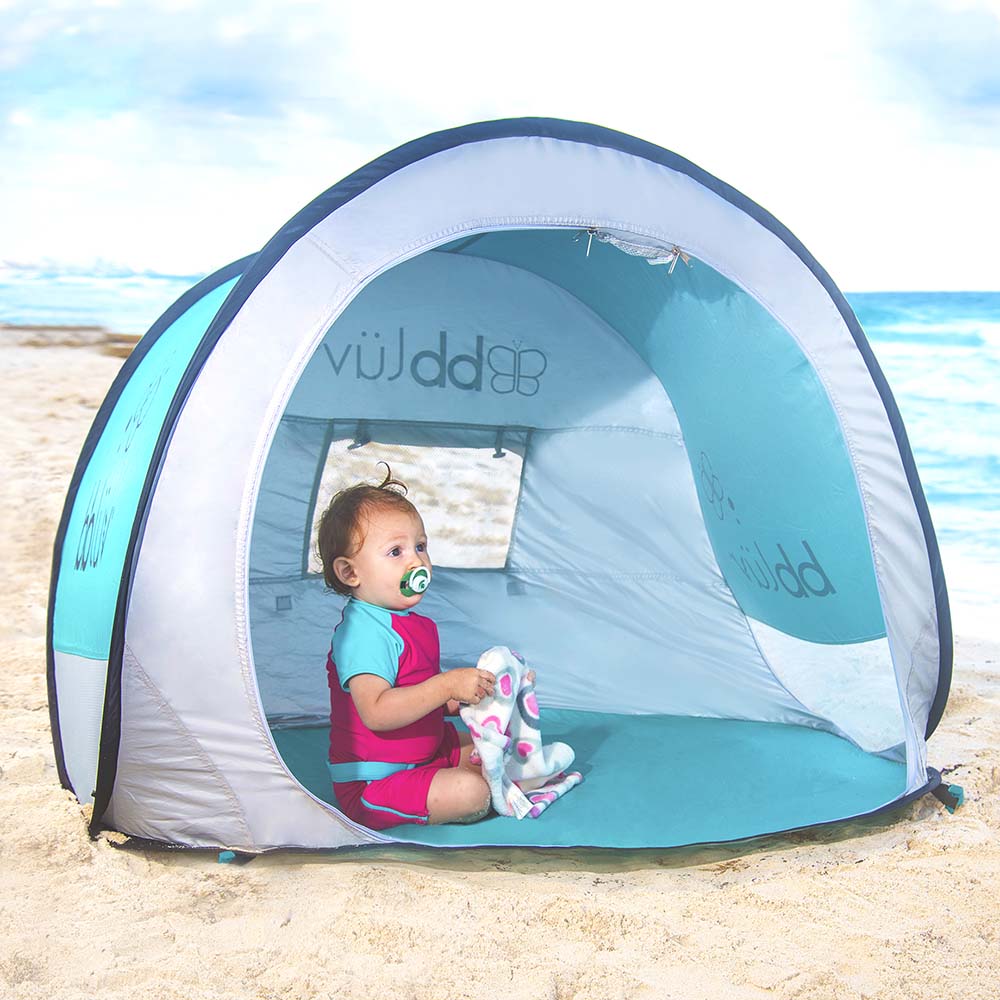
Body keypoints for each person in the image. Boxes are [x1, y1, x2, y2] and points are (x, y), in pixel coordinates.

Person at [316, 465, 495, 830]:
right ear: (350, 573)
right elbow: (378, 712)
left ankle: (496, 776)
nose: (417, 561)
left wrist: (467, 694)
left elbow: (420, 696)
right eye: (396, 551)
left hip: (427, 751)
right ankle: (460, 793)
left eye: (420, 546)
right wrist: (445, 685)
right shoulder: (362, 633)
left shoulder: (414, 624)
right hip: (376, 781)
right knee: (471, 793)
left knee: (492, 751)